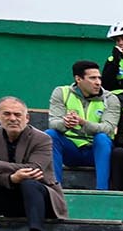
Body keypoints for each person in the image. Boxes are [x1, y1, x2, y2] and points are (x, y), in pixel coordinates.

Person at [0, 95, 65, 231]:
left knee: (29, 183)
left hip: (41, 200)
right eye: (7, 114)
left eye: (17, 114)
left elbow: (34, 169)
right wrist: (11, 179)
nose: (13, 118)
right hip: (5, 196)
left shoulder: (42, 139)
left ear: (27, 118)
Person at [48, 60, 117, 191]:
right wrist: (65, 123)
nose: (98, 82)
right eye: (92, 78)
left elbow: (108, 128)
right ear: (78, 79)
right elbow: (53, 122)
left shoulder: (111, 99)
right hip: (71, 150)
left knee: (102, 138)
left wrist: (83, 123)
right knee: (50, 135)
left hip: (96, 151)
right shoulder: (61, 92)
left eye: (99, 78)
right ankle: (54, 189)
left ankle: (102, 191)